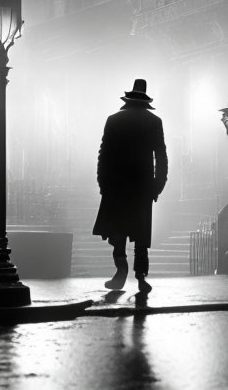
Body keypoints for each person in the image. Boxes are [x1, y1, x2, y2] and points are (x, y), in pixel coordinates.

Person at [93, 78, 168, 294]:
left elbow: (103, 155)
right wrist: (157, 186)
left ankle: (120, 270)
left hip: (116, 186)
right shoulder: (154, 121)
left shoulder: (113, 120)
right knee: (141, 234)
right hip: (142, 187)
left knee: (118, 232)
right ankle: (141, 276)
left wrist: (103, 184)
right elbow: (161, 157)